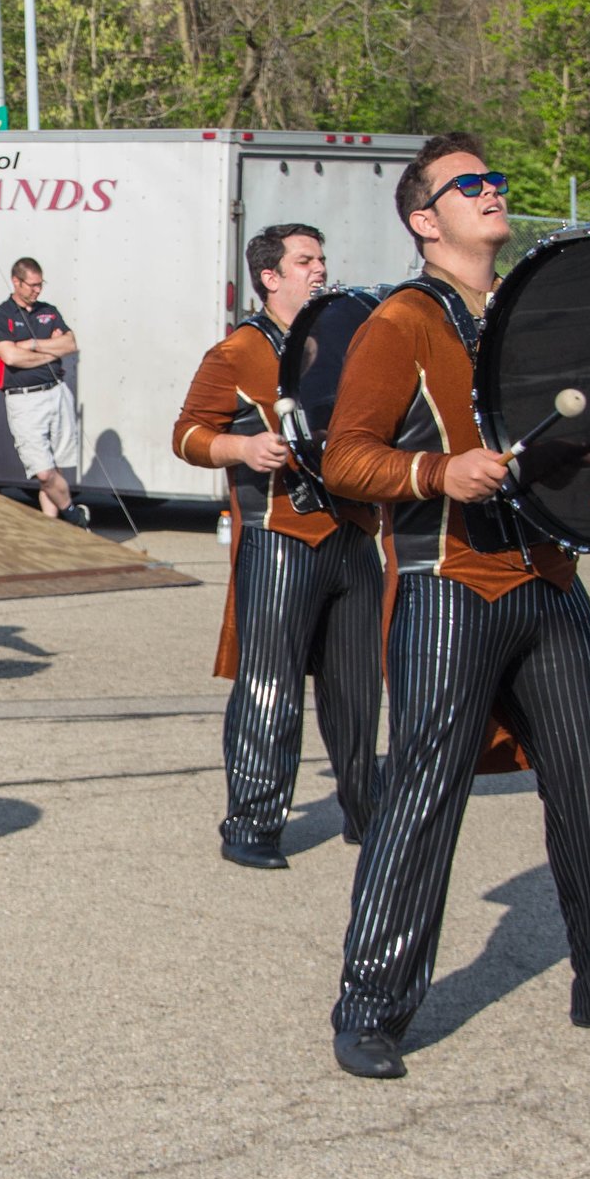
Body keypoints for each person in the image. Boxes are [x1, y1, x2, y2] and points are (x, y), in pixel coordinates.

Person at [318, 132, 590, 1081]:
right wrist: (437, 469)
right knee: (422, 797)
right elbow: (344, 457)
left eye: (496, 180)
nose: (494, 192)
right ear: (426, 219)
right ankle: (371, 1002)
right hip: (449, 587)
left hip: (549, 583)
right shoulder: (401, 322)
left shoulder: (528, 314)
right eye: (471, 185)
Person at [171, 222, 382, 868]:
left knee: (357, 686)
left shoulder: (346, 341)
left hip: (353, 533)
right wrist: (242, 446)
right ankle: (253, 826)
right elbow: (186, 434)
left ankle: (366, 811)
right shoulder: (237, 351)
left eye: (321, 257)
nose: (319, 269)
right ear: (270, 276)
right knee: (270, 686)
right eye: (305, 260)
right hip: (281, 535)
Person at [0, 257, 89, 526]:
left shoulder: (49, 310)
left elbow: (69, 344)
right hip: (24, 398)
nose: (37, 290)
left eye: (40, 284)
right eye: (32, 285)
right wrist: (49, 351)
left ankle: (51, 527)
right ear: (16, 281)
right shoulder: (1, 315)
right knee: (43, 472)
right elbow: (10, 357)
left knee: (54, 466)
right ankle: (73, 514)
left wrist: (32, 344)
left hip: (55, 392)